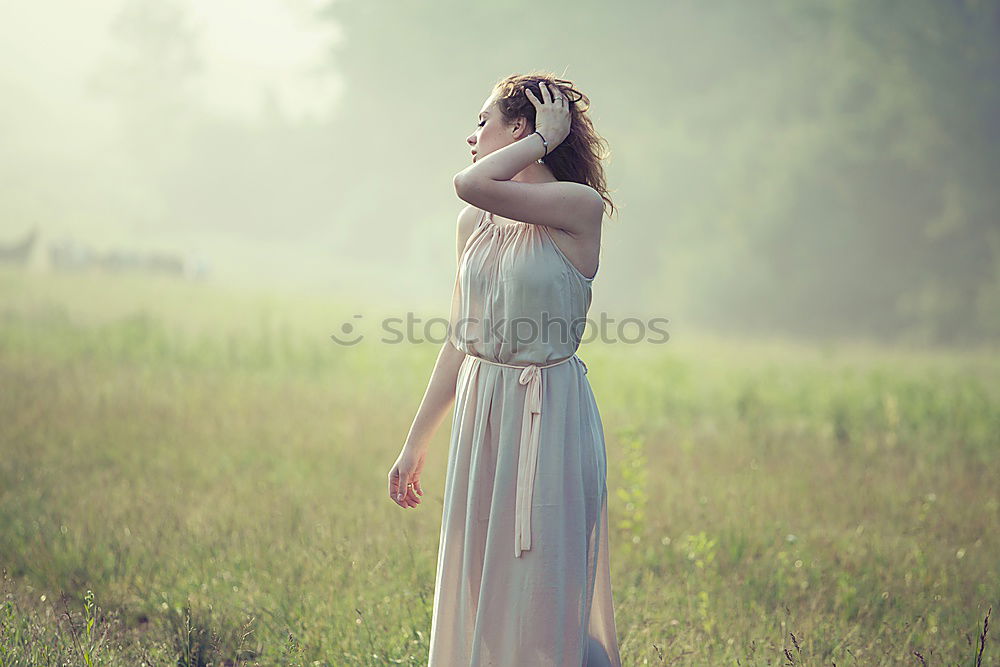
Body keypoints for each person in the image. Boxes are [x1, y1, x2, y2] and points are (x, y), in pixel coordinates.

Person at [387, 71, 621, 666]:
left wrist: (544, 142)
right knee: (481, 594)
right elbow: (459, 339)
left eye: (484, 122)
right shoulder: (476, 224)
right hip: (481, 411)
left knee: (544, 595)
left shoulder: (578, 207)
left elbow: (468, 181)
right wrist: (415, 446)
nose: (472, 136)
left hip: (549, 414)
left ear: (524, 128)